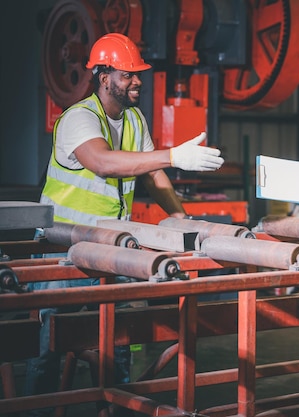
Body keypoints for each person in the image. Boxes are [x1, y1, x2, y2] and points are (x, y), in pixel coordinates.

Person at [25, 33, 224, 416]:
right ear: (104, 76)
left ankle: (114, 405)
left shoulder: (134, 118)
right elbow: (102, 162)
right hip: (62, 248)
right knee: (47, 342)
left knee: (117, 336)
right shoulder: (78, 118)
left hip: (111, 249)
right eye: (128, 74)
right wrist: (173, 155)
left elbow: (152, 174)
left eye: (138, 74)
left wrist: (178, 213)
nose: (137, 81)